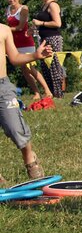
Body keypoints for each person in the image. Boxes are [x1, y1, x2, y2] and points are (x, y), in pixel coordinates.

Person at [0, 23, 53, 184]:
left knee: (15, 128)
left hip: (2, 86)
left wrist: (35, 55)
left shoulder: (3, 29)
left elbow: (15, 58)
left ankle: (30, 159)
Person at [4, 0, 53, 110]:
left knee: (30, 67)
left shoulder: (23, 9)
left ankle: (47, 90)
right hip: (14, 43)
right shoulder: (8, 10)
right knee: (24, 70)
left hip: (26, 42)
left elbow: (20, 27)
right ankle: (36, 92)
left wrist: (4, 29)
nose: (12, 0)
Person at [32, 0, 64, 99]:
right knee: (46, 67)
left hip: (53, 38)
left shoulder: (53, 5)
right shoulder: (43, 6)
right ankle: (50, 93)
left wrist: (41, 23)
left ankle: (59, 95)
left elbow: (57, 23)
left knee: (54, 66)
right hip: (44, 39)